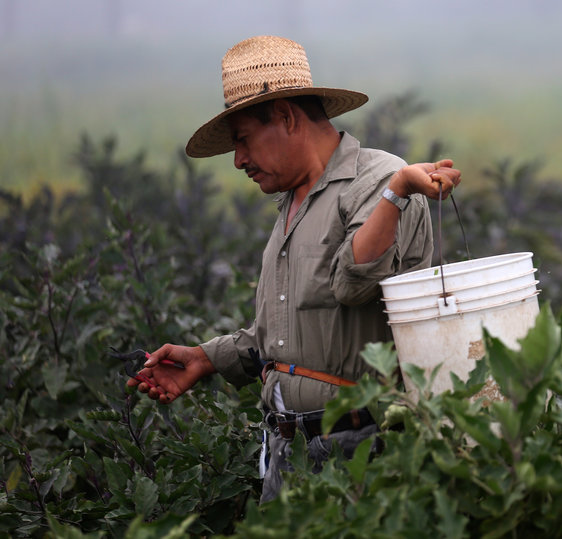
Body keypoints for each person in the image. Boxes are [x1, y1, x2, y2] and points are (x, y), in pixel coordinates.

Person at [126, 35, 461, 501]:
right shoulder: (292, 204)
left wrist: (398, 190)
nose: (239, 160)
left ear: (285, 117)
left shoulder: (377, 180)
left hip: (359, 450)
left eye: (243, 140)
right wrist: (205, 358)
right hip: (288, 450)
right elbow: (287, 332)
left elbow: (351, 284)